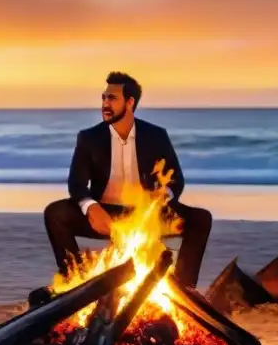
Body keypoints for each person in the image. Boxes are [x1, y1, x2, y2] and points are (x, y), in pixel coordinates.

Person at [43, 71, 213, 287]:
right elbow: (76, 184)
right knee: (55, 213)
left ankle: (183, 287)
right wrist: (91, 207)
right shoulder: (89, 138)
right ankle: (77, 282)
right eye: (104, 98)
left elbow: (176, 180)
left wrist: (162, 197)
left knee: (201, 219)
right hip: (105, 215)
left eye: (112, 98)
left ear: (130, 102)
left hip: (148, 213)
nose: (105, 103)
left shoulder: (155, 135)